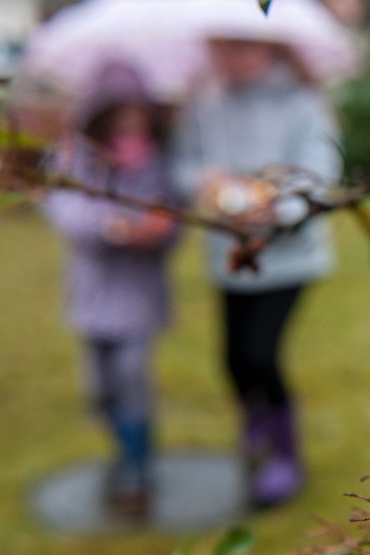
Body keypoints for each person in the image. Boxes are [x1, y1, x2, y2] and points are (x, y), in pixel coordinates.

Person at [170, 35, 341, 507]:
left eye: (242, 50)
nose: (231, 61)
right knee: (233, 360)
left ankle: (286, 456)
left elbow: (321, 180)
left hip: (289, 257)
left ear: (272, 49)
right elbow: (183, 165)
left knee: (261, 355)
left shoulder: (303, 104)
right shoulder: (206, 103)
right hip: (229, 256)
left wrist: (275, 211)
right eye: (223, 50)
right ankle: (256, 428)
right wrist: (204, 182)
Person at [43, 61, 180, 516]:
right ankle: (121, 446)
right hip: (93, 292)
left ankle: (137, 467)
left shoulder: (159, 162)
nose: (130, 126)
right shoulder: (76, 158)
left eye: (137, 116)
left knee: (132, 378)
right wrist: (110, 226)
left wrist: (158, 230)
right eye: (119, 116)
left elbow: (174, 216)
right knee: (100, 387)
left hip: (139, 294)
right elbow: (65, 209)